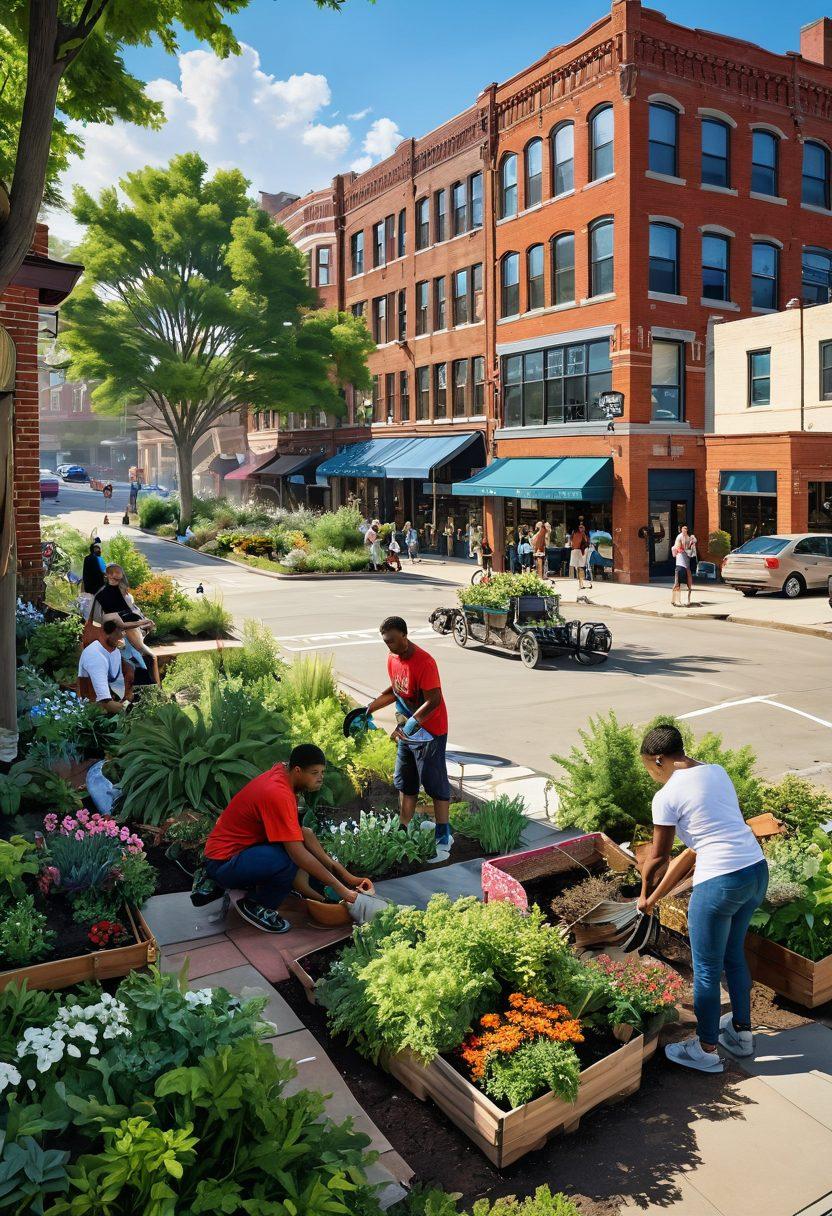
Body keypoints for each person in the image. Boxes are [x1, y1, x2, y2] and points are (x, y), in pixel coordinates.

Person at [637, 725, 768, 1073]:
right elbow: (693, 851)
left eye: (649, 767)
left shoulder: (665, 796)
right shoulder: (716, 772)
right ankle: (741, 1034)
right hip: (754, 871)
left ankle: (706, 1049)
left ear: (660, 760)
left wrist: (643, 888)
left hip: (720, 884)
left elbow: (659, 857)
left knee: (707, 971)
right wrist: (653, 900)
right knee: (733, 956)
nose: (651, 774)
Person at [202, 744, 373, 934]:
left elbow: (304, 834)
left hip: (240, 852)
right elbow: (297, 854)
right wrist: (342, 890)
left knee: (302, 836)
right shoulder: (278, 793)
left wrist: (343, 874)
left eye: (322, 772)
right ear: (297, 770)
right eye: (314, 772)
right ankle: (259, 905)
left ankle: (287, 891)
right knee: (287, 859)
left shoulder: (283, 774)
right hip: (222, 863)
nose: (320, 778)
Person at [365, 616, 453, 859]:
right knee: (406, 780)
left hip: (430, 730)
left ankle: (443, 834)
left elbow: (433, 701)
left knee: (434, 782)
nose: (389, 646)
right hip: (406, 728)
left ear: (405, 635)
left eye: (392, 641)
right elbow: (396, 690)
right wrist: (369, 708)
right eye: (385, 642)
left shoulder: (424, 662)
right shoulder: (392, 658)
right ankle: (403, 827)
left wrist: (412, 724)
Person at [88, 564, 160, 683]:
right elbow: (104, 622)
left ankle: (155, 690)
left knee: (149, 658)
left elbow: (134, 617)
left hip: (130, 637)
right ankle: (152, 689)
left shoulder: (126, 598)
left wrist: (144, 625)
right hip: (118, 639)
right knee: (147, 658)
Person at [77, 620, 132, 714]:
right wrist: (135, 712)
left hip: (114, 702)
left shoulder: (114, 650)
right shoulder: (95, 657)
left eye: (123, 631)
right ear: (104, 633)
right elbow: (107, 705)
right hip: (97, 712)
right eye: (117, 631)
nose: (122, 635)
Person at [672, 526, 693, 608]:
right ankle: (676, 600)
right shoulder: (679, 537)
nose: (684, 530)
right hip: (680, 565)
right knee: (677, 584)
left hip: (686, 565)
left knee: (689, 584)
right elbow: (678, 548)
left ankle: (688, 601)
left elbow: (691, 552)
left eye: (686, 529)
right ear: (681, 530)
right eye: (683, 529)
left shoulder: (689, 538)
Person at [569, 522, 588, 590]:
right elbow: (586, 542)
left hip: (577, 551)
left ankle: (581, 583)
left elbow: (571, 543)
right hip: (578, 551)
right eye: (580, 527)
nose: (581, 528)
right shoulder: (579, 534)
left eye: (582, 527)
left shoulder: (575, 534)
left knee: (579, 567)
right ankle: (581, 583)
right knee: (579, 567)